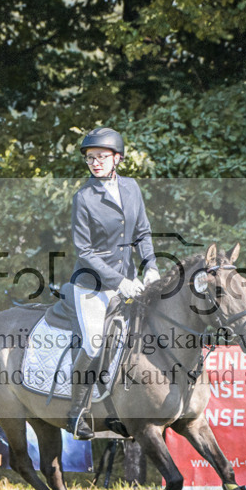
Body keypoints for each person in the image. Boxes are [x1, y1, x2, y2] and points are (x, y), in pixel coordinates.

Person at [66, 127, 160, 440]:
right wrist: (119, 281)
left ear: (116, 158)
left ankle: (120, 408)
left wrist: (150, 268)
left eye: (101, 157)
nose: (95, 163)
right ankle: (75, 411)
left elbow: (143, 233)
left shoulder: (131, 187)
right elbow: (85, 251)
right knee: (95, 341)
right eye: (90, 158)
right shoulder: (84, 198)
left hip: (130, 282)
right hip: (92, 285)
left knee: (137, 339)